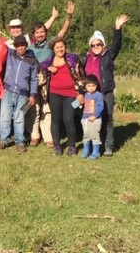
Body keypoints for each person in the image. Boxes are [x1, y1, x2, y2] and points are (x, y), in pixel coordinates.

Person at [27, 1, 75, 147]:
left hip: (48, 83)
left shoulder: (50, 44)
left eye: (42, 32)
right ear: (34, 34)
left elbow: (62, 32)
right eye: (37, 32)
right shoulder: (29, 48)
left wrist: (69, 16)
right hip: (34, 82)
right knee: (34, 109)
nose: (40, 34)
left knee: (47, 110)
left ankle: (48, 137)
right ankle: (34, 135)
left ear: (46, 33)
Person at [81, 14, 128, 156]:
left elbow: (117, 44)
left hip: (105, 92)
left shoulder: (108, 55)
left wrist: (117, 29)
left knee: (107, 117)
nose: (96, 47)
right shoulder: (86, 57)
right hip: (91, 94)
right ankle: (94, 144)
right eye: (93, 45)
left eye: (98, 44)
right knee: (91, 118)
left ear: (103, 45)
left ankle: (108, 146)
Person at [40, 36, 84, 157]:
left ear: (65, 47)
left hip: (71, 94)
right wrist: (48, 69)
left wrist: (81, 93)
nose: (60, 49)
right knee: (55, 120)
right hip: (54, 94)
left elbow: (81, 75)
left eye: (62, 46)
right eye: (57, 47)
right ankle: (57, 146)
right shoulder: (49, 61)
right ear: (53, 49)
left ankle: (71, 146)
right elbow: (40, 69)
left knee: (69, 119)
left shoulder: (73, 58)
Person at [0, 36, 38, 153]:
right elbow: (2, 44)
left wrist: (32, 95)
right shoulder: (10, 54)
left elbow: (34, 79)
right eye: (17, 45)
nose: (20, 47)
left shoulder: (32, 60)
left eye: (22, 45)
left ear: (26, 45)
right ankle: (3, 139)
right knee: (4, 117)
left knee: (19, 118)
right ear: (14, 47)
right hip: (8, 91)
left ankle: (20, 141)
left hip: (23, 94)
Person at [80, 75, 104, 160]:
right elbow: (75, 105)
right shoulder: (83, 95)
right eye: (88, 86)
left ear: (97, 85)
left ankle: (96, 152)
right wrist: (78, 102)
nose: (91, 88)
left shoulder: (99, 95)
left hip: (95, 119)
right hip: (85, 119)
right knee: (86, 135)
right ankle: (86, 151)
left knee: (95, 135)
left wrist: (95, 115)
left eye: (93, 86)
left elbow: (101, 106)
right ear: (85, 86)